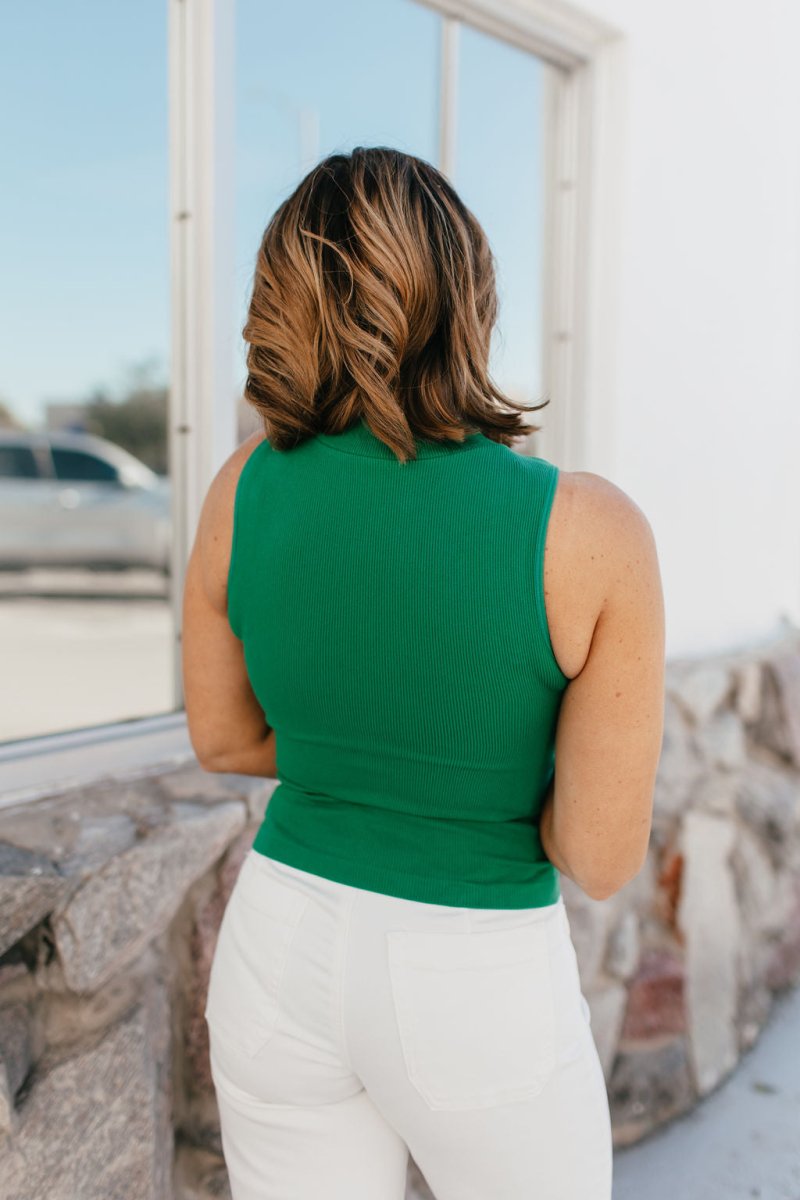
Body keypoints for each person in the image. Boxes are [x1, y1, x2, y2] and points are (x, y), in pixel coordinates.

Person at [181, 146, 666, 1200]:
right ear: (468, 295)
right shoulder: (587, 530)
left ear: (278, 300)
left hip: (278, 949)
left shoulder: (239, 486)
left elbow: (221, 740)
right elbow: (596, 854)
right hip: (474, 979)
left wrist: (349, 759)